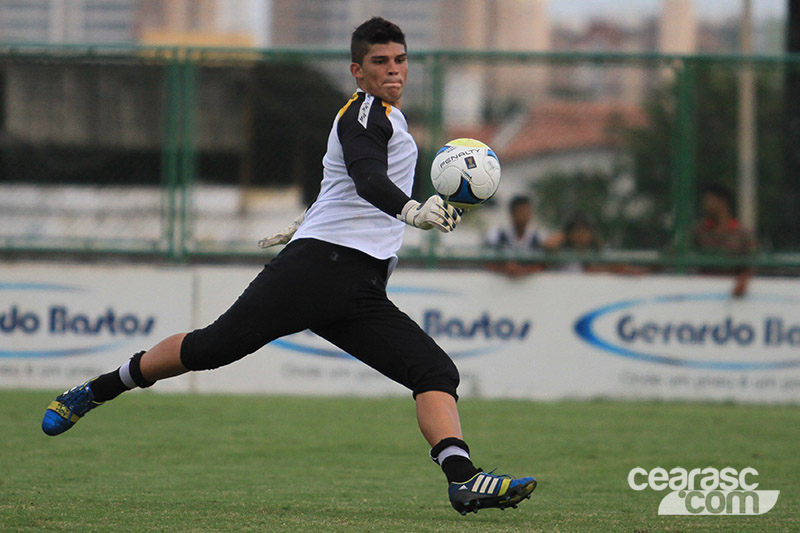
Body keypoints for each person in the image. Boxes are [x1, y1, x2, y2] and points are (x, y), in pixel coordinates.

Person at [41, 17, 536, 516]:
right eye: (380, 62)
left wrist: (311, 217)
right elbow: (366, 178)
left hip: (356, 285)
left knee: (433, 371)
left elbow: (344, 185)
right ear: (357, 71)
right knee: (210, 349)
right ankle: (94, 390)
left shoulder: (388, 118)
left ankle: (465, 482)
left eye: (400, 60)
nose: (393, 70)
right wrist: (411, 209)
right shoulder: (365, 114)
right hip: (320, 270)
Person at [693, 183, 757, 298]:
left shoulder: (742, 233)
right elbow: (674, 251)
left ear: (722, 202)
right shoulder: (699, 231)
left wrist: (743, 279)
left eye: (709, 200)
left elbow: (753, 261)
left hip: (732, 296)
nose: (705, 205)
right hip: (702, 294)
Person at [485, 195, 561, 277]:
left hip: (530, 284)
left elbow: (543, 264)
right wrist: (505, 268)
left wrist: (523, 270)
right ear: (512, 213)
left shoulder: (538, 236)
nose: (525, 216)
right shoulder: (498, 235)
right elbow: (488, 263)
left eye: (527, 212)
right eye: (521, 211)